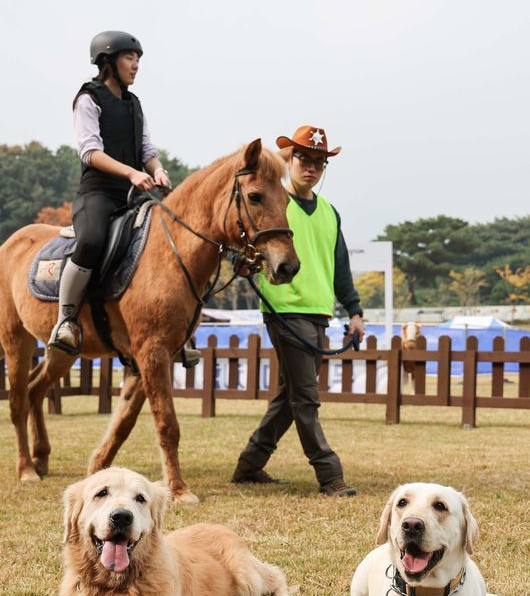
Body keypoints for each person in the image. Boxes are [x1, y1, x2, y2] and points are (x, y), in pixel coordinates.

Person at [48, 30, 201, 365]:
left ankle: (179, 331)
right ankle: (66, 320)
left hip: (136, 194)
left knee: (169, 242)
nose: (135, 65)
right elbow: (90, 152)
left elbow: (147, 149)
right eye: (130, 58)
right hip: (99, 193)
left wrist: (157, 170)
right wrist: (131, 173)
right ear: (108, 61)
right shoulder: (88, 98)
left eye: (137, 60)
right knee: (91, 241)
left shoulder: (134, 104)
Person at [231, 125, 365, 497]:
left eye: (319, 161)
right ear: (289, 159)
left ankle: (249, 464)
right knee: (305, 397)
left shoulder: (329, 213)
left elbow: (341, 269)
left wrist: (354, 312)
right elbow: (241, 238)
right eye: (303, 158)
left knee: (290, 397)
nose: (311, 167)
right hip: (284, 309)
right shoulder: (274, 202)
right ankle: (330, 474)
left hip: (319, 313)